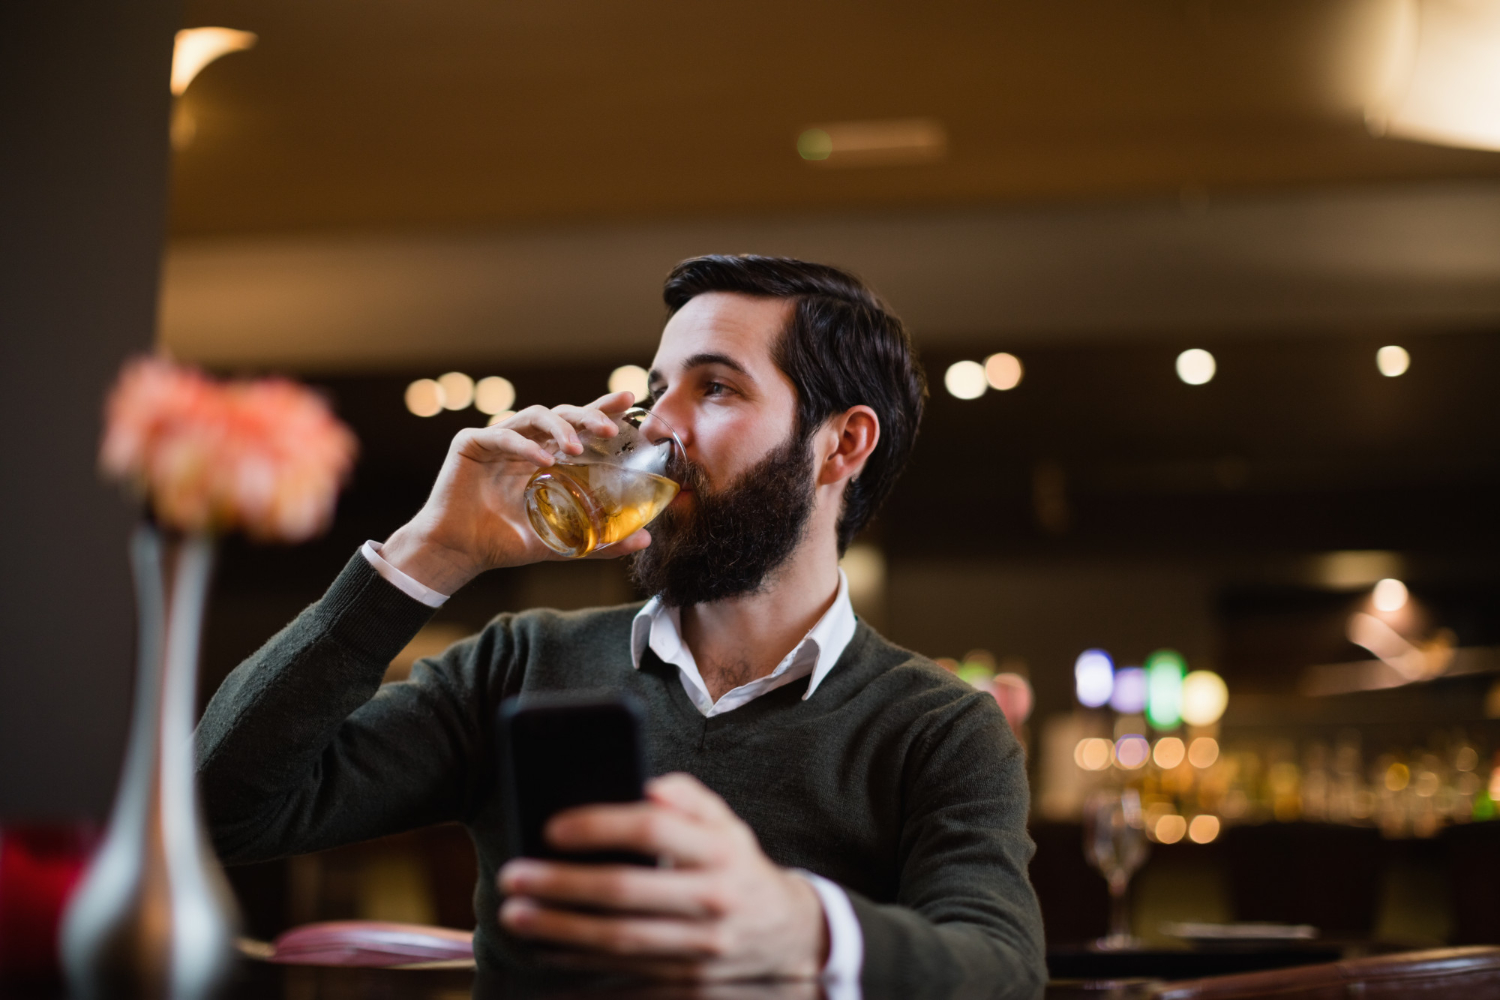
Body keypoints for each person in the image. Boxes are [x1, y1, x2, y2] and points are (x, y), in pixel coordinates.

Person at [195, 255, 1046, 994]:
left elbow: (1002, 969)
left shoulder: (939, 725)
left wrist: (803, 933)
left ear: (842, 444)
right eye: (655, 391)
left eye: (714, 387)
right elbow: (218, 808)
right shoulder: (520, 663)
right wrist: (431, 554)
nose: (658, 424)